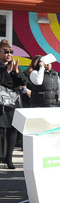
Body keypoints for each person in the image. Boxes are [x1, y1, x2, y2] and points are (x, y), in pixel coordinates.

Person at [0, 39, 27, 170]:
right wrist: (6, 72)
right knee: (1, 131)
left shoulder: (13, 65)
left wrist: (16, 71)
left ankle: (9, 158)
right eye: (5, 51)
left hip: (13, 103)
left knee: (12, 130)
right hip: (1, 103)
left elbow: (23, 81)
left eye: (10, 52)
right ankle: (1, 156)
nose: (8, 54)